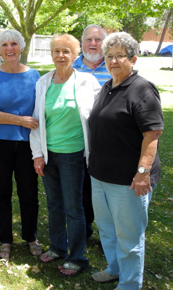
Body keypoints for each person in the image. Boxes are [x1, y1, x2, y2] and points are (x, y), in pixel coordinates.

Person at [89, 32, 163, 290]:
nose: (113, 61)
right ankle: (114, 269)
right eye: (109, 56)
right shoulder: (108, 86)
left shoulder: (142, 89)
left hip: (129, 180)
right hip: (100, 176)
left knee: (130, 237)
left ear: (132, 58)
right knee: (108, 231)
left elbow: (152, 134)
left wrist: (143, 172)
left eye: (120, 56)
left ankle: (130, 284)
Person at [30, 34, 100, 277]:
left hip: (74, 156)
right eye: (56, 51)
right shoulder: (43, 82)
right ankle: (58, 248)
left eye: (66, 51)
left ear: (75, 54)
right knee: (54, 205)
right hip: (50, 156)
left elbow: (99, 118)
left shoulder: (87, 82)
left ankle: (77, 257)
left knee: (74, 207)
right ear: (51, 54)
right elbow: (37, 123)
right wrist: (37, 154)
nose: (61, 55)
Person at [0, 30, 40, 260]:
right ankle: (5, 239)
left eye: (14, 43)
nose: (9, 48)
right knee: (1, 191)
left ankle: (30, 236)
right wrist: (19, 120)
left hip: (26, 144)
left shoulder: (35, 76)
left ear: (21, 47)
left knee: (29, 192)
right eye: (4, 44)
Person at [72, 24, 111, 239]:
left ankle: (109, 234)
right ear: (82, 43)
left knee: (107, 190)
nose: (93, 44)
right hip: (77, 137)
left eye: (98, 40)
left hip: (107, 139)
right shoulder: (71, 67)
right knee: (81, 187)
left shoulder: (114, 66)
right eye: (89, 39)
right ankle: (84, 229)